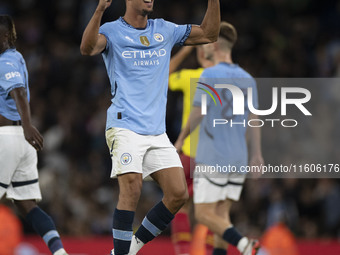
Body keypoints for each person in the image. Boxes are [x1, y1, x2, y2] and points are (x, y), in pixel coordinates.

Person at [80, 0, 220, 254]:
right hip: (124, 127)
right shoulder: (112, 31)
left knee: (178, 194)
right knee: (132, 185)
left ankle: (129, 249)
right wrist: (100, 9)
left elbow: (209, 33)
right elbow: (87, 48)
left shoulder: (165, 29)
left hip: (156, 132)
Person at [175, 22, 264, 255]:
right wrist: (256, 154)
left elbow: (199, 112)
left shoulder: (210, 74)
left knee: (205, 214)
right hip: (238, 157)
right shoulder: (247, 78)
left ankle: (246, 245)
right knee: (222, 216)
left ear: (214, 45)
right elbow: (254, 120)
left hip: (213, 154)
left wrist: (181, 139)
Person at [0, 15, 68, 255]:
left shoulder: (6, 61)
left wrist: (28, 125)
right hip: (21, 141)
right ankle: (60, 252)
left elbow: (18, 91)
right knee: (27, 205)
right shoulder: (16, 57)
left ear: (6, 36)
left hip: (7, 137)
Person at [168, 46, 215, 255]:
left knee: (180, 205)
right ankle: (209, 251)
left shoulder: (191, 77)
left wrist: (186, 50)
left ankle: (184, 252)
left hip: (189, 153)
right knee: (212, 210)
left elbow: (164, 74)